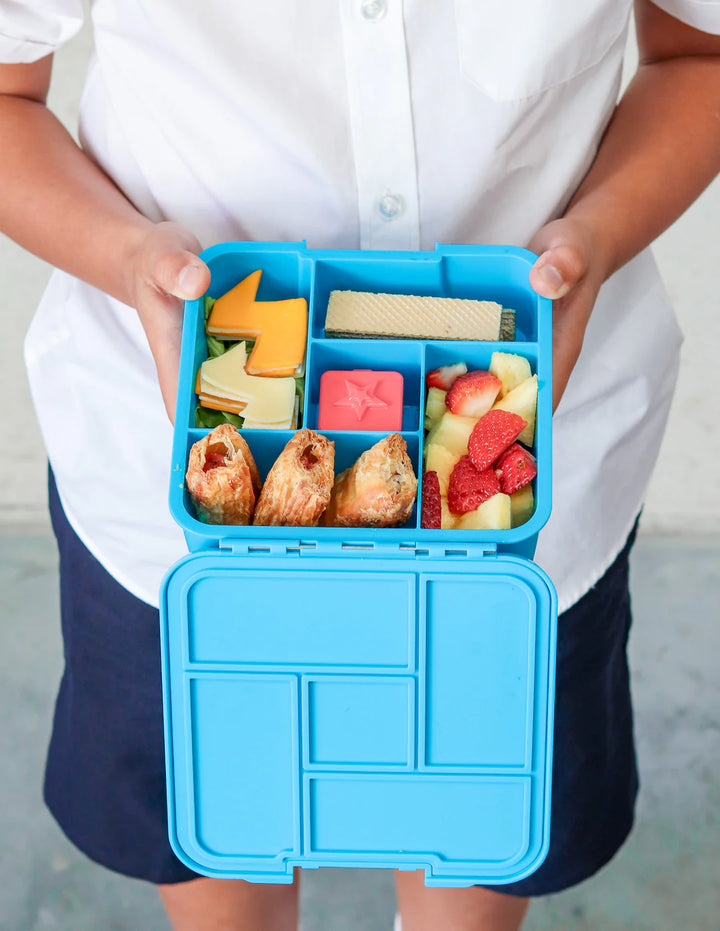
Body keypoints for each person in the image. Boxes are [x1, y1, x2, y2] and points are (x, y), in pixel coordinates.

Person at [1, 1, 719, 928]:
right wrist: (125, 254)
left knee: (471, 827)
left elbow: (697, 58)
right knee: (221, 826)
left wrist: (604, 230)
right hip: (158, 480)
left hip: (529, 494)